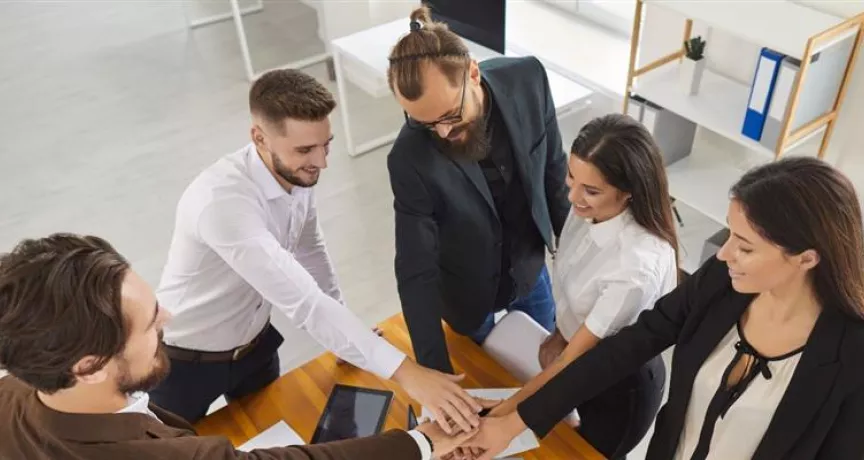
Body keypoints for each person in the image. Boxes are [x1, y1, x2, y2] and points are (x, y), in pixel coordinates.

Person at [150, 69, 482, 430]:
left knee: (270, 435)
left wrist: (346, 338)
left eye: (326, 145)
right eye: (305, 149)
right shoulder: (222, 204)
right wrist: (408, 373)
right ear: (259, 138)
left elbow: (310, 251)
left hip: (255, 345)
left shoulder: (296, 172)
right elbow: (304, 301)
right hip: (183, 362)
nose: (322, 162)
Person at [470, 156, 864, 460]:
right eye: (729, 235)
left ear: (807, 258)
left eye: (745, 247)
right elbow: (625, 348)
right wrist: (516, 421)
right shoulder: (722, 282)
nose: (724, 254)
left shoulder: (851, 359)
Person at [0, 233, 479, 460]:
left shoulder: (15, 392)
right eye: (149, 323)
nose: (168, 317)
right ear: (88, 367)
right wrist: (423, 441)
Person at [386, 6, 570, 374]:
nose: (441, 133)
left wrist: (578, 283)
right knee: (485, 377)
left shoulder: (528, 80)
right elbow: (415, 268)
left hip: (529, 272)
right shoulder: (408, 157)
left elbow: (555, 175)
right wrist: (434, 373)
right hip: (464, 295)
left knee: (546, 374)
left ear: (473, 72)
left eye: (450, 116)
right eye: (423, 122)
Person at [483, 114, 677, 459]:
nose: (572, 197)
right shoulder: (588, 208)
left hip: (618, 390)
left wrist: (498, 414)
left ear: (629, 192)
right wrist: (559, 333)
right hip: (575, 354)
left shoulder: (634, 267)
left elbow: (575, 360)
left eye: (591, 190)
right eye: (572, 178)